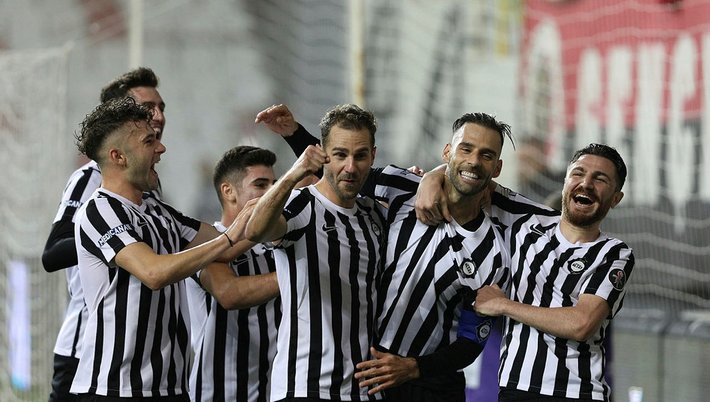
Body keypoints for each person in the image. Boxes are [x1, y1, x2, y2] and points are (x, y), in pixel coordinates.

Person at [255, 105, 511, 402]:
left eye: (486, 155)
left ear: (497, 168)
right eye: (465, 149)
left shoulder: (495, 253)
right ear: (447, 152)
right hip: (370, 380)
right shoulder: (399, 187)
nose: (474, 161)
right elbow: (346, 166)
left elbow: (472, 340)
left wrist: (414, 367)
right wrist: (295, 135)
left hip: (430, 385)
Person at [69, 97, 259, 401]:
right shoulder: (98, 210)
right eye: (149, 141)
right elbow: (153, 272)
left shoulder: (159, 211)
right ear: (118, 156)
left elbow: (230, 246)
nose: (161, 148)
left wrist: (293, 190)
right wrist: (226, 239)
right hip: (115, 389)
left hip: (170, 388)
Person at [418, 143, 634, 402]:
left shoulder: (614, 253)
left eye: (600, 179)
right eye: (578, 173)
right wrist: (432, 177)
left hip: (577, 393)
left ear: (616, 198)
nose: (586, 183)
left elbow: (582, 324)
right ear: (565, 181)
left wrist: (503, 305)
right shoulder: (524, 220)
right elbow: (468, 179)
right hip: (514, 390)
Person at [41, 67, 167, 402]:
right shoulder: (91, 178)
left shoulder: (149, 187)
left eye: (160, 106)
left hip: (133, 355)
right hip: (86, 347)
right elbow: (52, 252)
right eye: (146, 107)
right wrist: (116, 237)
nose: (157, 115)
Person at [245, 104, 385, 402]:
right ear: (322, 153)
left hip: (364, 391)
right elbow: (254, 231)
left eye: (360, 156)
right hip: (306, 387)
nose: (351, 167)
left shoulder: (374, 214)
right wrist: (293, 174)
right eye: (340, 155)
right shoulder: (302, 205)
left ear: (373, 155)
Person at [186, 145, 281, 402]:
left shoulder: (276, 246)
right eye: (260, 185)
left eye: (275, 185)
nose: (272, 194)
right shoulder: (205, 246)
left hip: (273, 393)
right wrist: (294, 276)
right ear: (228, 192)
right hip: (219, 395)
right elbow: (228, 294)